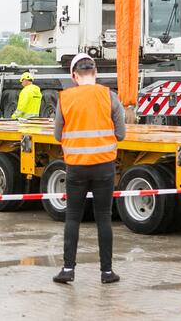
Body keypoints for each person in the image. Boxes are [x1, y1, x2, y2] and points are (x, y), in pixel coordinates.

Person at [52, 54, 126, 284]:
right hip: (104, 166)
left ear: (74, 76)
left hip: (76, 167)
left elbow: (57, 135)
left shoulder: (65, 99)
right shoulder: (109, 96)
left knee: (72, 217)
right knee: (103, 218)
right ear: (95, 73)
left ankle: (67, 270)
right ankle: (106, 272)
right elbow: (121, 134)